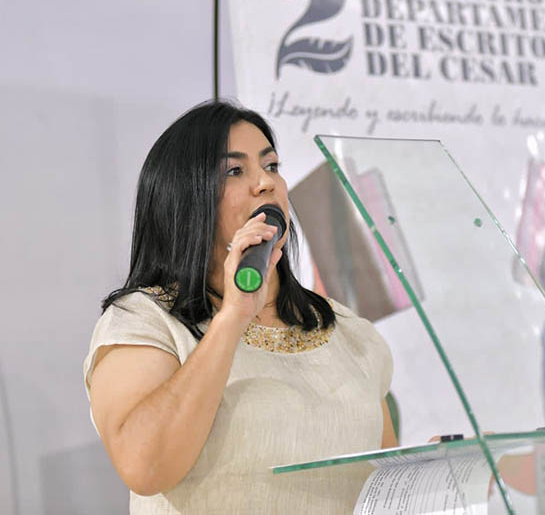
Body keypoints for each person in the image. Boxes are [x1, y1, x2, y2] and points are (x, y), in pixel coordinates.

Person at [83, 100, 397, 514]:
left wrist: (430, 477)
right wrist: (233, 317)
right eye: (234, 171)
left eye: (271, 166)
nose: (266, 183)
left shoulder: (346, 329)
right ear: (185, 198)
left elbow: (382, 487)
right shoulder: (144, 321)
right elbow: (146, 466)